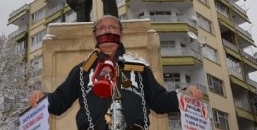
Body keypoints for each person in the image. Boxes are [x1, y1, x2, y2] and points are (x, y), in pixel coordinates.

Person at [29, 15, 203, 130]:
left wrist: (183, 95)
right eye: (102, 28)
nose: (108, 30)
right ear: (94, 35)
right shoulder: (82, 70)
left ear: (120, 33)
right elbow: (60, 101)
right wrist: (42, 97)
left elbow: (159, 100)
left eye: (113, 27)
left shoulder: (139, 66)